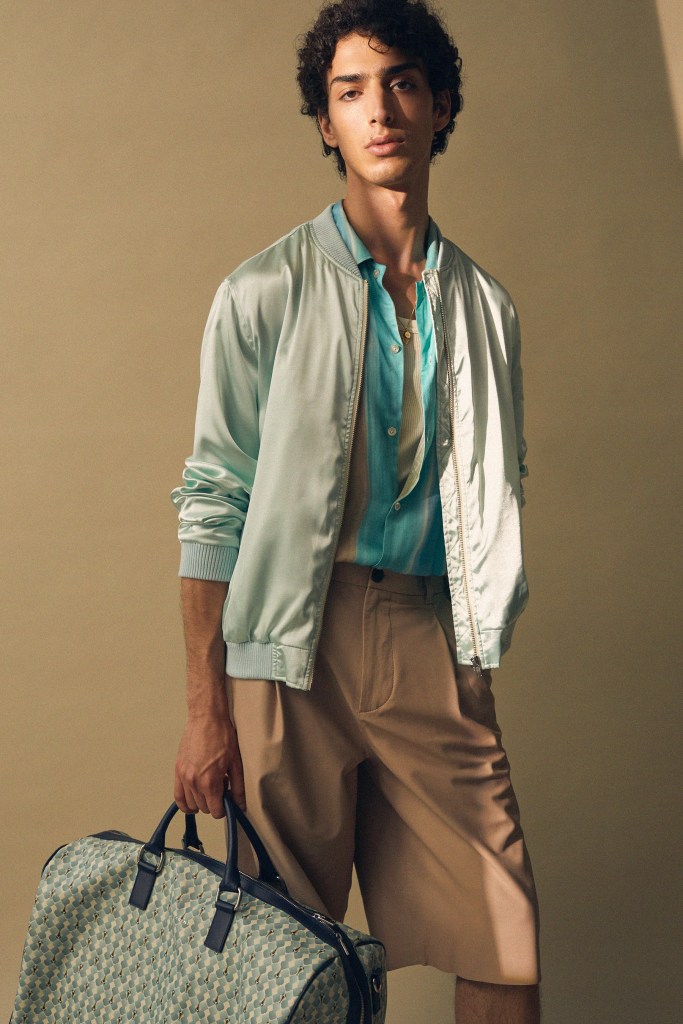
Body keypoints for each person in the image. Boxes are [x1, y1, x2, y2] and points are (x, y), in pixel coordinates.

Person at [170, 1, 542, 1020]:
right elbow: (212, 501)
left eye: (401, 84)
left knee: (502, 942)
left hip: (431, 637)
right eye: (349, 91)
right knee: (281, 967)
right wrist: (206, 711)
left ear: (440, 106)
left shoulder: (486, 309)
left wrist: (475, 641)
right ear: (325, 122)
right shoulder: (261, 290)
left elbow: (496, 486)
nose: (378, 110)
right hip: (290, 647)